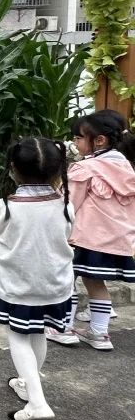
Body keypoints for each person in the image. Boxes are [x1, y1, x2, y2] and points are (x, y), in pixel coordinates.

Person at [0, 137, 74, 420]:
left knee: (18, 336)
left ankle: (37, 400)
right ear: (57, 170)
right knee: (39, 332)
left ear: (13, 169)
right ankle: (26, 383)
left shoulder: (6, 206)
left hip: (18, 286)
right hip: (55, 284)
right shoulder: (64, 205)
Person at [46, 111, 135, 350]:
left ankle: (62, 327)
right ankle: (99, 334)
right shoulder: (127, 168)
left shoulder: (86, 169)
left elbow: (68, 203)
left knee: (68, 281)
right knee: (96, 284)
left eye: (78, 138)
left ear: (99, 140)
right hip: (116, 240)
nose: (75, 143)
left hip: (83, 238)